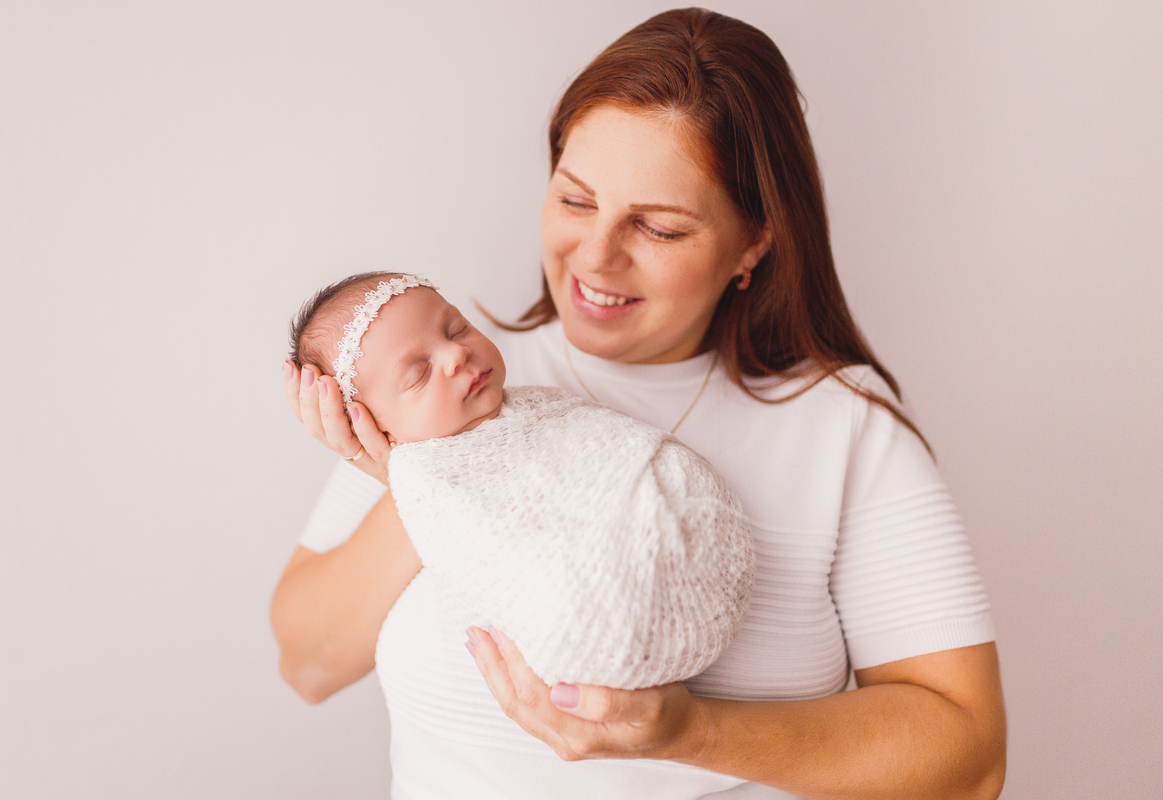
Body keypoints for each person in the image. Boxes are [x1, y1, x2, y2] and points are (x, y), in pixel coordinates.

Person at [271, 8, 1006, 800]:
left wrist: (691, 734)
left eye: (657, 227)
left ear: (753, 242)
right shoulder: (440, 392)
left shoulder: (842, 429)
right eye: (577, 201)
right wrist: (421, 481)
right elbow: (307, 665)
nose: (595, 258)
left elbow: (969, 761)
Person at [287, 270, 754, 690]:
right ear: (372, 423)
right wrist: (407, 482)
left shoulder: (536, 402)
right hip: (603, 617)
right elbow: (305, 667)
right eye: (419, 372)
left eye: (457, 328)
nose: (456, 353)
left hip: (688, 539)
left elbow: (598, 447)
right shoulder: (421, 486)